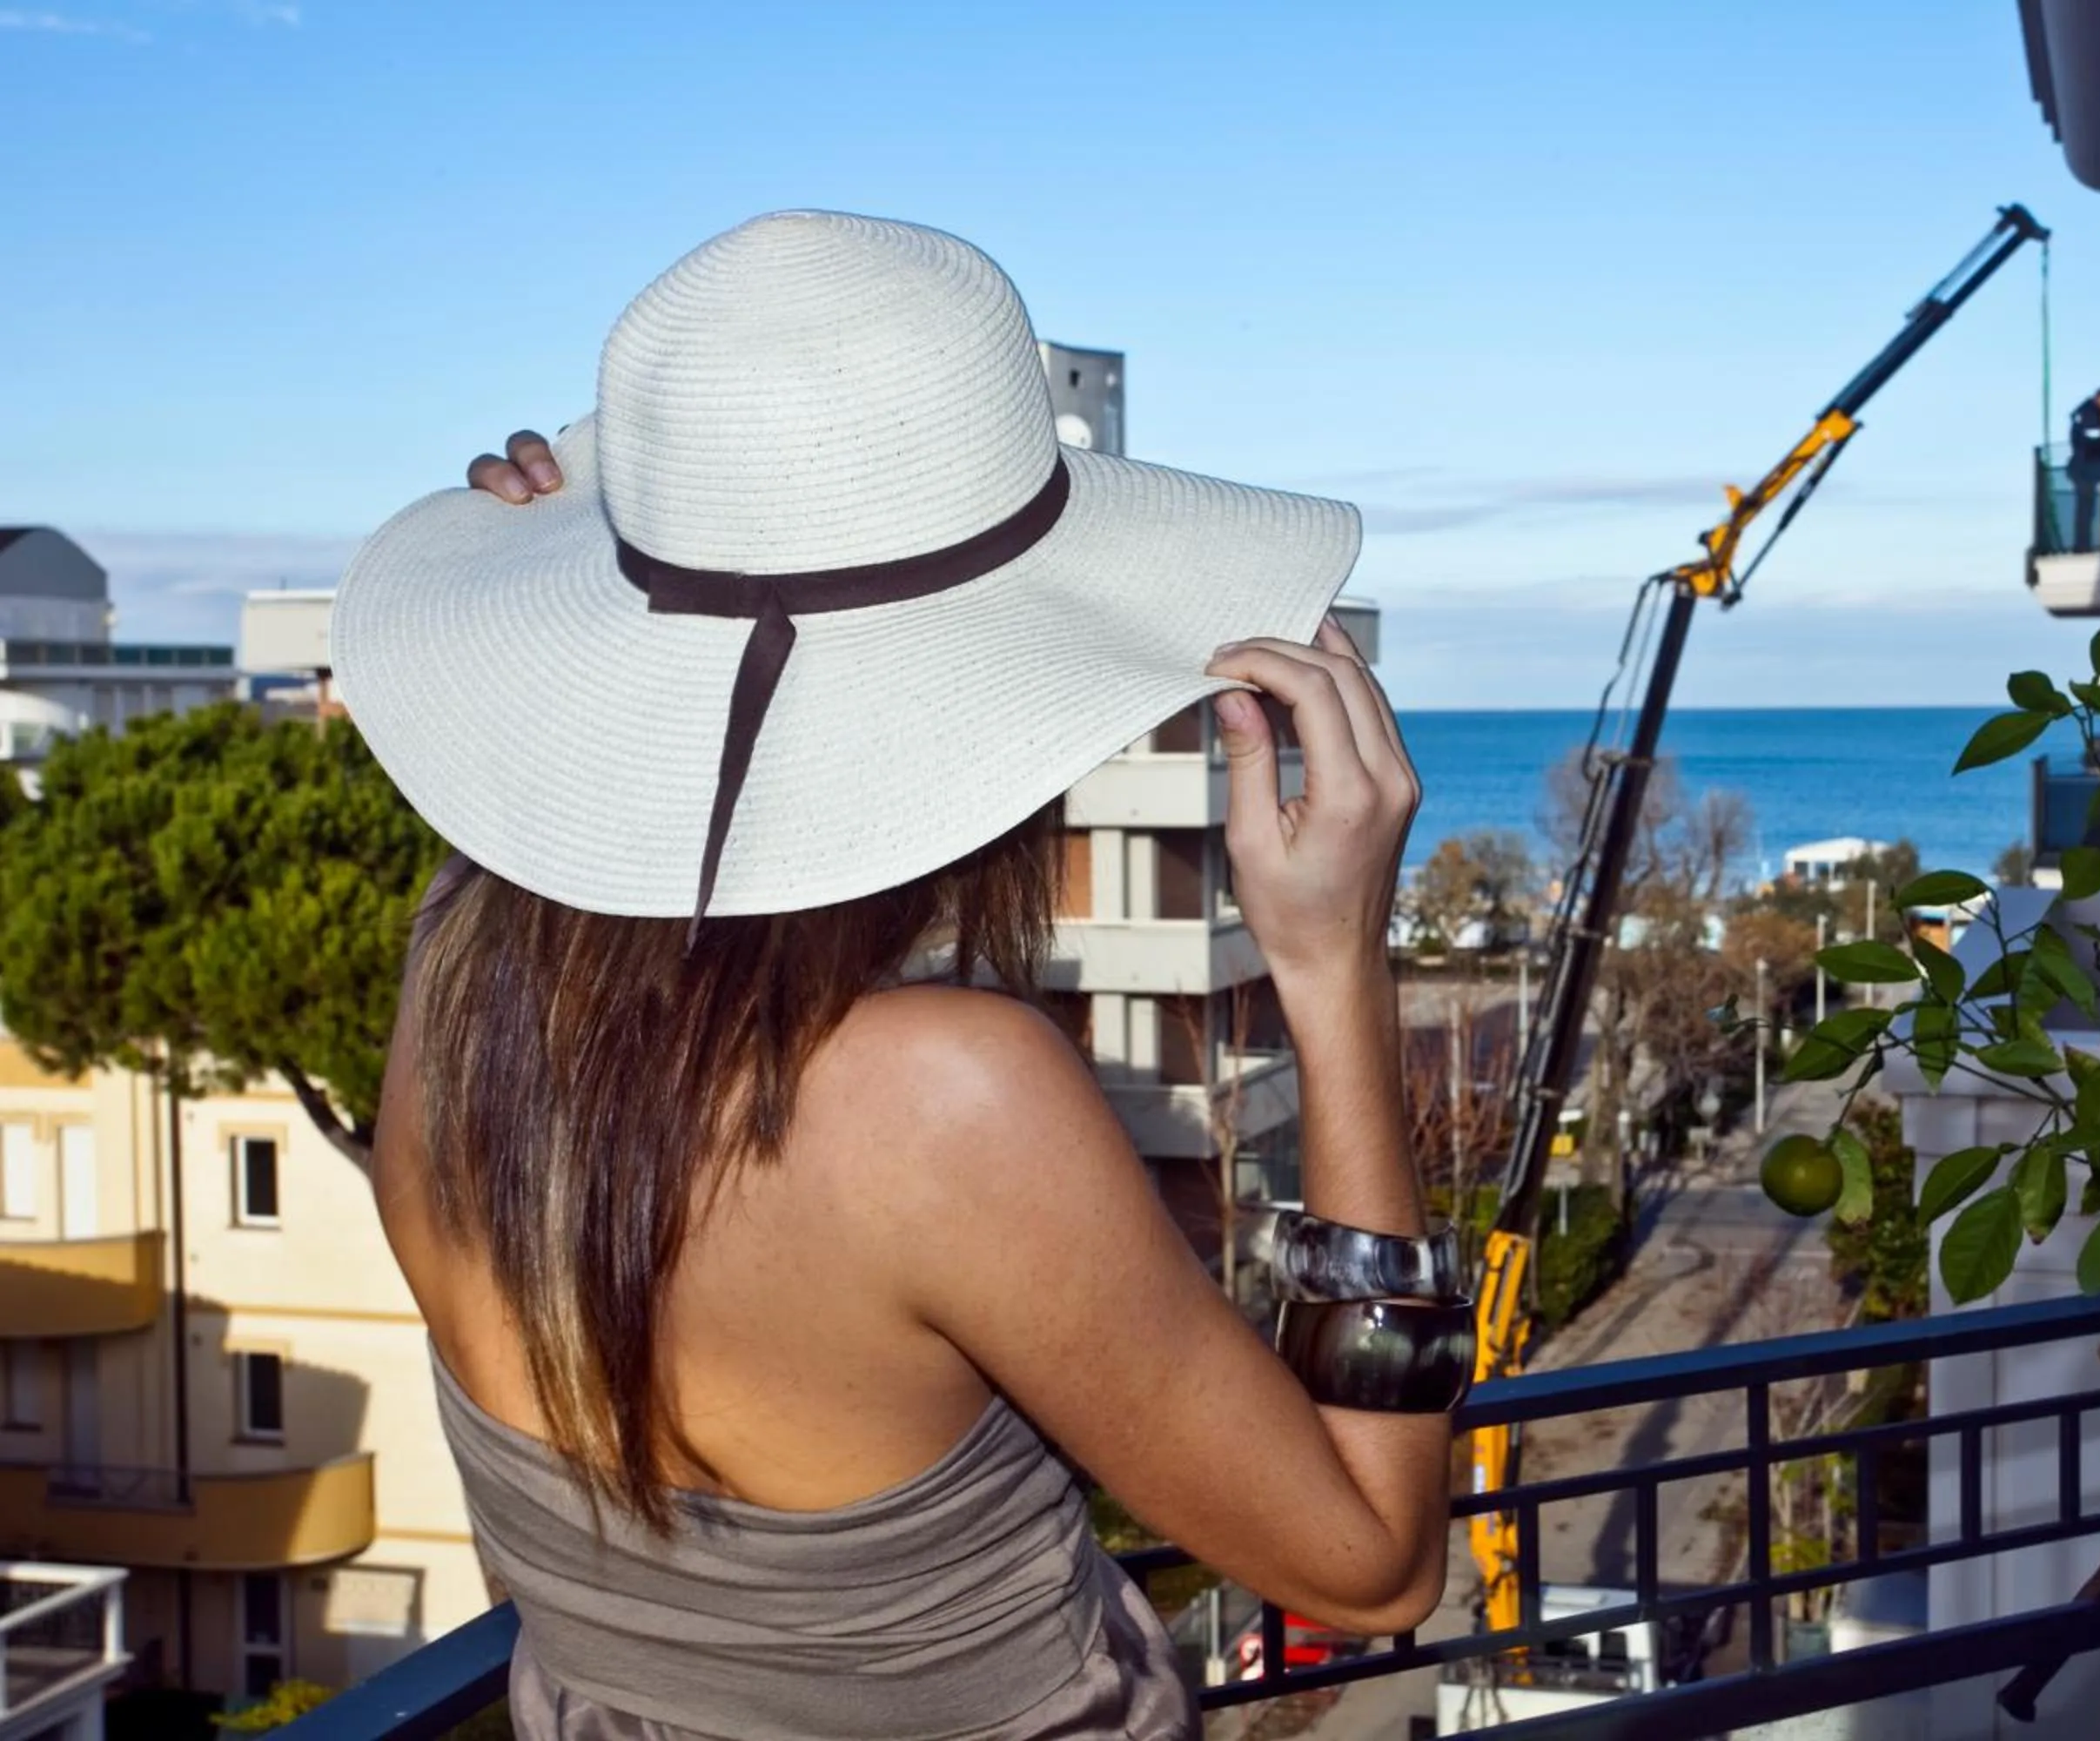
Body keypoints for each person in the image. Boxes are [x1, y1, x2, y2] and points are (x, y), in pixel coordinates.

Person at [346, 212, 1466, 1741]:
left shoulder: (457, 970)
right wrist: (1336, 974)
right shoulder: (941, 1102)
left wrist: (557, 603)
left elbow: (546, 834)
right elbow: (1375, 1562)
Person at [2065, 384, 2100, 553]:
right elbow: (2092, 442)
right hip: (2084, 469)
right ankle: (2082, 547)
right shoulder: (2088, 414)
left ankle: (2084, 545)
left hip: (2087, 468)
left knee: (2088, 510)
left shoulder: (2090, 413)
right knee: (2085, 510)